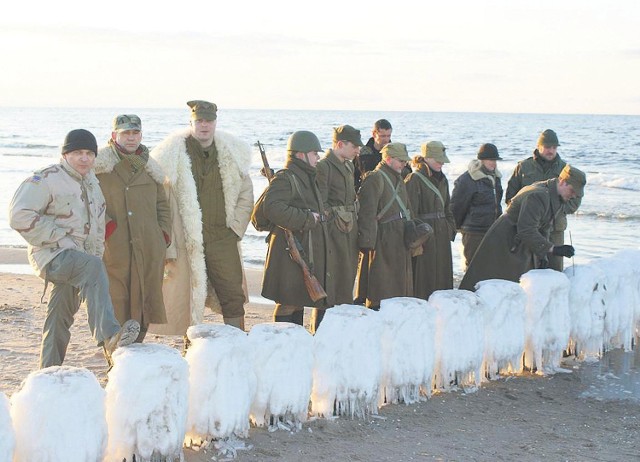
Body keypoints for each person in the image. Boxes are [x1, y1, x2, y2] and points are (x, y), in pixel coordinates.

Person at [9, 129, 140, 368]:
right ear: (66, 154)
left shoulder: (93, 184)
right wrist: (60, 239)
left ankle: (48, 371)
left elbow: (98, 230)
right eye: (78, 152)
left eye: (89, 153)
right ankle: (110, 335)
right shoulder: (47, 179)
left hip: (81, 262)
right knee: (92, 267)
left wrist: (94, 259)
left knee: (58, 318)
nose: (84, 158)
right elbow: (19, 215)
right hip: (53, 257)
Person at [149, 100, 254, 334]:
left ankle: (237, 341)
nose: (204, 126)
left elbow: (246, 194)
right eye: (199, 121)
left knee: (232, 293)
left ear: (215, 123)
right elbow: (160, 198)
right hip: (188, 238)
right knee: (189, 296)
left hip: (223, 236)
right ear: (191, 122)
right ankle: (191, 346)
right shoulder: (173, 154)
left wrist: (235, 229)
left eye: (208, 121)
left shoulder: (231, 154)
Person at [94, 115, 171, 342]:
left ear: (141, 135)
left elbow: (162, 205)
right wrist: (108, 230)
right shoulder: (99, 166)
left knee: (146, 298)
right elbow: (89, 201)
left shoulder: (151, 169)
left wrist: (162, 235)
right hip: (113, 246)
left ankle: (136, 347)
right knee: (115, 299)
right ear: (114, 136)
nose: (130, 137)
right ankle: (113, 351)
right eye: (125, 133)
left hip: (148, 246)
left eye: (134, 133)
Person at [459, 164, 586, 291]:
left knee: (514, 283)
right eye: (572, 190)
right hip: (506, 239)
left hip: (520, 239)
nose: (574, 196)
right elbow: (526, 230)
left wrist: (543, 254)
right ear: (563, 182)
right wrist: (552, 249)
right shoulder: (538, 195)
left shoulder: (556, 196)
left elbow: (545, 227)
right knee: (494, 281)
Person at [259, 130, 330, 325]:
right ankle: (283, 341)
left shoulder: (305, 176)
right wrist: (307, 218)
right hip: (287, 249)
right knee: (288, 301)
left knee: (297, 299)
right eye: (315, 153)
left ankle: (294, 340)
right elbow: (272, 208)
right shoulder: (286, 178)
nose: (317, 157)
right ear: (301, 154)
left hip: (299, 248)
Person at [505, 129, 580, 271]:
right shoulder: (523, 167)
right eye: (547, 147)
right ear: (539, 147)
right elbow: (511, 197)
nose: (551, 151)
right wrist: (527, 213)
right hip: (528, 226)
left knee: (554, 268)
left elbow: (575, 200)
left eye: (554, 147)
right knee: (526, 268)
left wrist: (553, 209)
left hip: (555, 229)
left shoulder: (565, 170)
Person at [313, 125, 363, 331]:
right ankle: (322, 330)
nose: (357, 150)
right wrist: (334, 220)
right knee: (330, 282)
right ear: (340, 144)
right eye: (354, 146)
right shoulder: (324, 166)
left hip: (348, 229)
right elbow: (320, 203)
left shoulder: (349, 166)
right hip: (333, 232)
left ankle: (341, 329)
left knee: (347, 278)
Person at [356, 142, 414, 310]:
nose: (404, 164)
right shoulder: (375, 178)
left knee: (398, 286)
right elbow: (367, 213)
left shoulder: (399, 177)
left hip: (399, 236)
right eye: (401, 161)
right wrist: (367, 244)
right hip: (383, 239)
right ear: (388, 159)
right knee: (381, 286)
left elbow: (407, 208)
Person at [405, 141, 456, 300]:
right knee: (424, 278)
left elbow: (448, 207)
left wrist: (450, 229)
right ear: (426, 158)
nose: (441, 163)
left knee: (442, 275)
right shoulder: (414, 179)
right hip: (425, 236)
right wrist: (419, 237)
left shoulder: (443, 179)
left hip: (442, 234)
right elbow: (410, 212)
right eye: (437, 159)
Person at [450, 143, 504, 269]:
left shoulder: (496, 178)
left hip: (492, 230)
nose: (494, 163)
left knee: (491, 266)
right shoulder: (467, 179)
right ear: (481, 160)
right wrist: (454, 229)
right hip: (473, 232)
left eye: (495, 160)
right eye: (491, 160)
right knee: (473, 267)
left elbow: (498, 203)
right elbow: (456, 206)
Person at [353, 119, 393, 191]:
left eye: (388, 136)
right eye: (383, 136)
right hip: (367, 193)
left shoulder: (394, 153)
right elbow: (353, 175)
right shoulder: (362, 153)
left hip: (388, 193)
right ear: (374, 134)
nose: (386, 139)